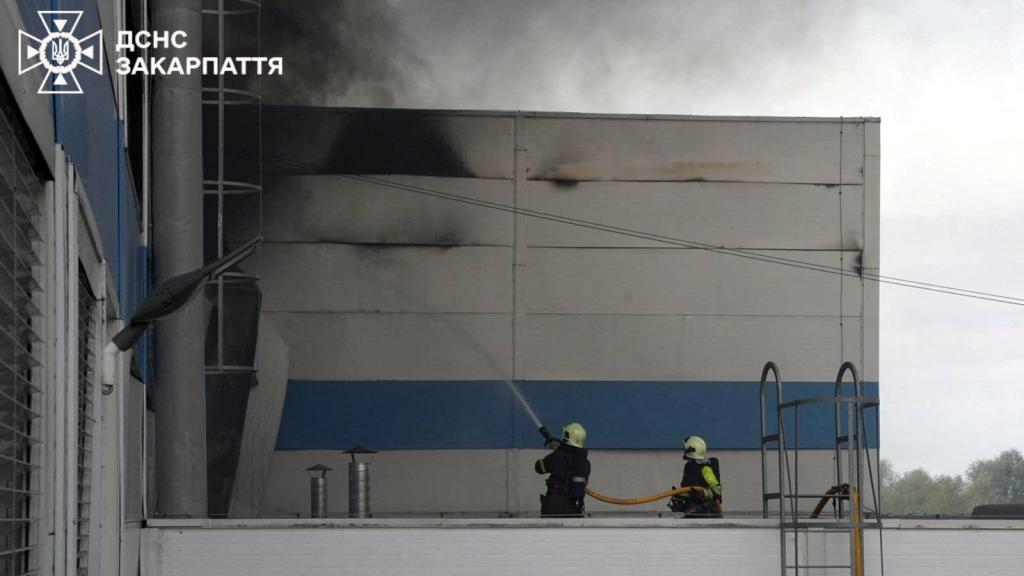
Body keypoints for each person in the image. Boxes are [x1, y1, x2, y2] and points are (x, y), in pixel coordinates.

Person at [534, 422, 591, 517]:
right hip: (575, 509)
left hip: (553, 508)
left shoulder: (556, 458)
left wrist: (558, 452)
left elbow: (539, 468)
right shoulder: (586, 463)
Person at [668, 435, 723, 517]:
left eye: (685, 449)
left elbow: (716, 491)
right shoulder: (688, 468)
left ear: (691, 451)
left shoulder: (705, 469)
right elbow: (689, 490)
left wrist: (702, 493)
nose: (684, 451)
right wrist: (680, 496)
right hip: (693, 511)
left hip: (706, 513)